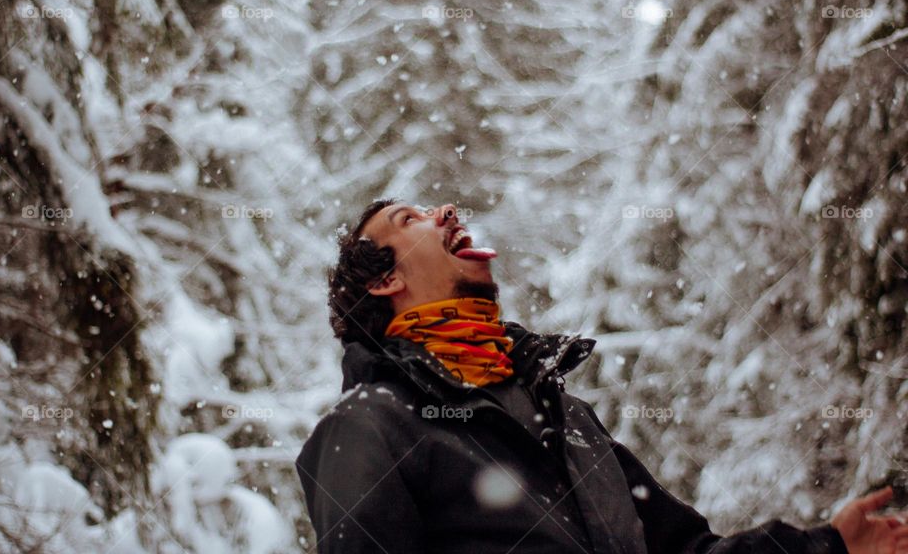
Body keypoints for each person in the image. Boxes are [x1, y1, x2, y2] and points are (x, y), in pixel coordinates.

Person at [296, 198, 908, 554]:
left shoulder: (563, 416)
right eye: (410, 219)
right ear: (383, 280)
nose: (446, 211)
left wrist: (830, 546)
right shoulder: (369, 426)